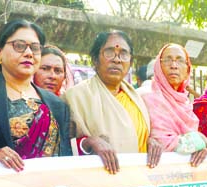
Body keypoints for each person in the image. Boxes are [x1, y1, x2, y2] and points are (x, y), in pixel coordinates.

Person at [0, 20, 71, 172]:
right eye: (19, 46)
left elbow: (65, 157)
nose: (28, 53)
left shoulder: (57, 105)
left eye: (35, 48)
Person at [63, 30, 152, 174]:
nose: (117, 59)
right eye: (109, 52)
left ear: (130, 62)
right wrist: (88, 142)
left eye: (123, 54)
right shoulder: (75, 97)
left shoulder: (137, 99)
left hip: (138, 183)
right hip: (99, 183)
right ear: (95, 59)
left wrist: (152, 141)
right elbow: (61, 148)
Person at [139, 43, 207, 168]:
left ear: (188, 69)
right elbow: (162, 142)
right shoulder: (147, 96)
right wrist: (198, 140)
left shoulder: (185, 104)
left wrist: (200, 147)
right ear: (158, 66)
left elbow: (196, 146)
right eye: (167, 60)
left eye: (180, 60)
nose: (173, 66)